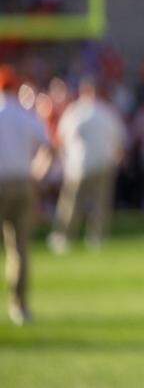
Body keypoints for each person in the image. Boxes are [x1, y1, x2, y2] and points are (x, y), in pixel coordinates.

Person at [49, 77, 127, 254]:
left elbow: (60, 138)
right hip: (101, 164)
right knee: (97, 204)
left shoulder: (75, 112)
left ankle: (64, 238)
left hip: (80, 164)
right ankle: (96, 238)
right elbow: (120, 140)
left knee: (72, 204)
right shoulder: (106, 111)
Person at [0, 67, 52, 325]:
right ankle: (19, 307)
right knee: (20, 250)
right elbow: (48, 147)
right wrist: (37, 174)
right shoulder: (24, 114)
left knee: (17, 249)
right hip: (22, 184)